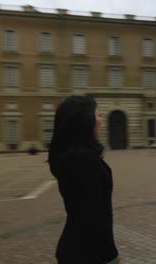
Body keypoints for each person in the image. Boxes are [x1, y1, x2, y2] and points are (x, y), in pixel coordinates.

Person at [48, 95, 120, 264]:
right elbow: (96, 217)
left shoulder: (69, 156)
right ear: (85, 121)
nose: (100, 119)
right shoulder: (85, 160)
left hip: (74, 248)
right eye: (97, 114)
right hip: (89, 254)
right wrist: (111, 256)